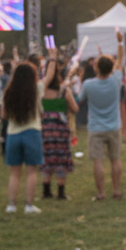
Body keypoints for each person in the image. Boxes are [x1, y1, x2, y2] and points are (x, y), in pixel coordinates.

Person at [80, 29, 126, 200]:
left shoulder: (88, 84)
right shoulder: (116, 80)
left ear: (96, 67)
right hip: (114, 126)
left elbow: (81, 99)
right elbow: (120, 60)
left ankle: (101, 193)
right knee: (115, 160)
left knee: (98, 161)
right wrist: (120, 42)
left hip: (96, 127)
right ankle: (117, 190)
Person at [1, 61, 51, 214]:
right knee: (31, 171)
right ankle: (29, 205)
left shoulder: (8, 91)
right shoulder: (37, 89)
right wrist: (53, 59)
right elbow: (49, 77)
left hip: (13, 134)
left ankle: (11, 205)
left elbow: (3, 115)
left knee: (15, 173)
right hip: (32, 132)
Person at [41, 58, 78, 200]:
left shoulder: (41, 91)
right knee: (61, 158)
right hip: (61, 130)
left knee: (47, 157)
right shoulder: (63, 91)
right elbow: (75, 108)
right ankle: (61, 192)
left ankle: (46, 190)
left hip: (44, 129)